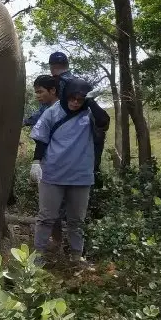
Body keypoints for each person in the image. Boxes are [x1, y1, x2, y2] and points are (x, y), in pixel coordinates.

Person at [29, 77, 110, 265]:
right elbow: (41, 140)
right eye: (72, 98)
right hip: (52, 174)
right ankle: (37, 257)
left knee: (76, 220)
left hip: (80, 176)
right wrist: (36, 162)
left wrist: (90, 101)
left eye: (79, 99)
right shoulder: (52, 113)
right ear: (65, 96)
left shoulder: (89, 113)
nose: (75, 102)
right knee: (46, 218)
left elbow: (104, 121)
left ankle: (76, 256)